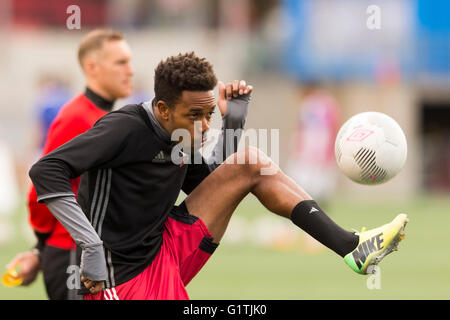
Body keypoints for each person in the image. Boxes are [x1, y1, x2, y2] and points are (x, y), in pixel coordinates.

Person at [29, 52, 408, 300]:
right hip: (116, 279)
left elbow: (212, 183)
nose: (204, 124)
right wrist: (90, 248)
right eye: (195, 115)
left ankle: (352, 247)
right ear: (162, 108)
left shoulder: (181, 134)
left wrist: (234, 121)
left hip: (164, 252)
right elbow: (46, 169)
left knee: (248, 164)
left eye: (208, 113)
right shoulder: (124, 128)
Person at [7, 29, 134, 300]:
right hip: (70, 256)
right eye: (121, 62)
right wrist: (40, 250)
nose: (130, 70)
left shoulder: (105, 117)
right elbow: (39, 188)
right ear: (92, 67)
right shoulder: (78, 117)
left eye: (129, 62)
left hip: (89, 253)